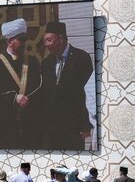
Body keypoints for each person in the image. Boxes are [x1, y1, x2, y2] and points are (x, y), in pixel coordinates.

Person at [0, 18, 42, 148]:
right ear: (10, 41)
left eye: (25, 39)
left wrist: (27, 98)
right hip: (6, 123)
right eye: (20, 40)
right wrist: (15, 98)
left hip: (30, 122)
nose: (24, 43)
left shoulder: (32, 61)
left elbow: (38, 84)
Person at [36, 20, 95, 150]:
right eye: (45, 41)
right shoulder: (47, 63)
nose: (46, 44)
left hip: (73, 127)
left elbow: (88, 92)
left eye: (49, 40)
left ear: (61, 38)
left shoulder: (81, 58)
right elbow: (45, 94)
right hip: (51, 129)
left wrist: (85, 125)